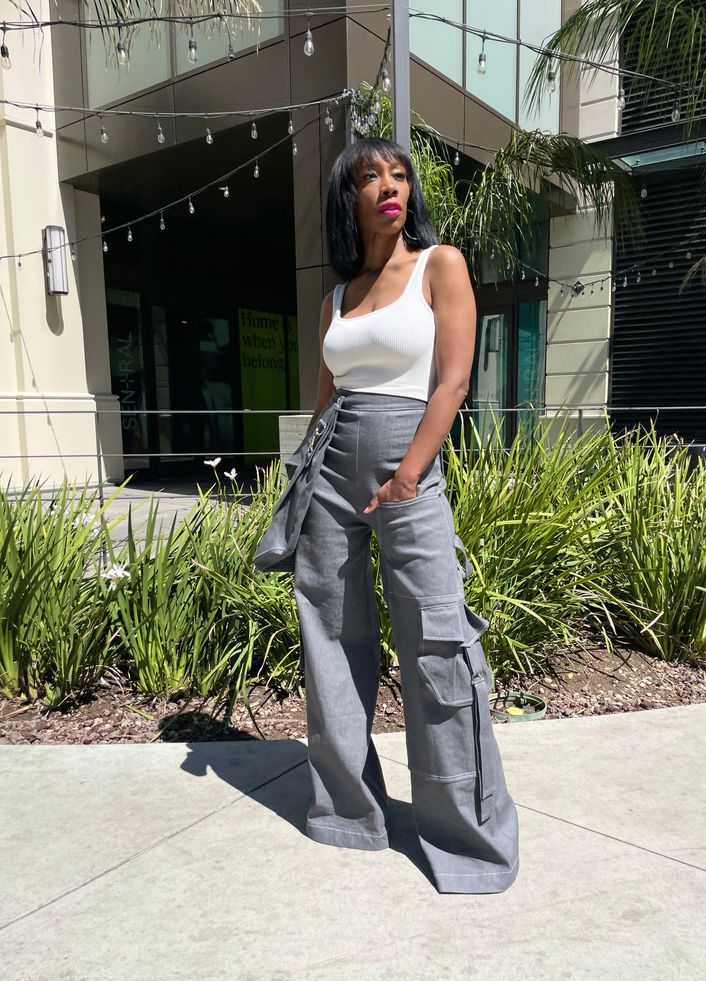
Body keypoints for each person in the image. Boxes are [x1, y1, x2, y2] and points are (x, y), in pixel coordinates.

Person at [293, 136, 519, 894]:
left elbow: (452, 383)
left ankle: (466, 837)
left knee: (437, 636)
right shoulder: (335, 297)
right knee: (329, 633)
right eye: (369, 177)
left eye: (399, 174)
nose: (389, 185)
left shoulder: (440, 265)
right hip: (331, 464)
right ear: (348, 199)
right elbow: (325, 396)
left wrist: (408, 476)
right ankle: (346, 812)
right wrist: (301, 474)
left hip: (409, 466)